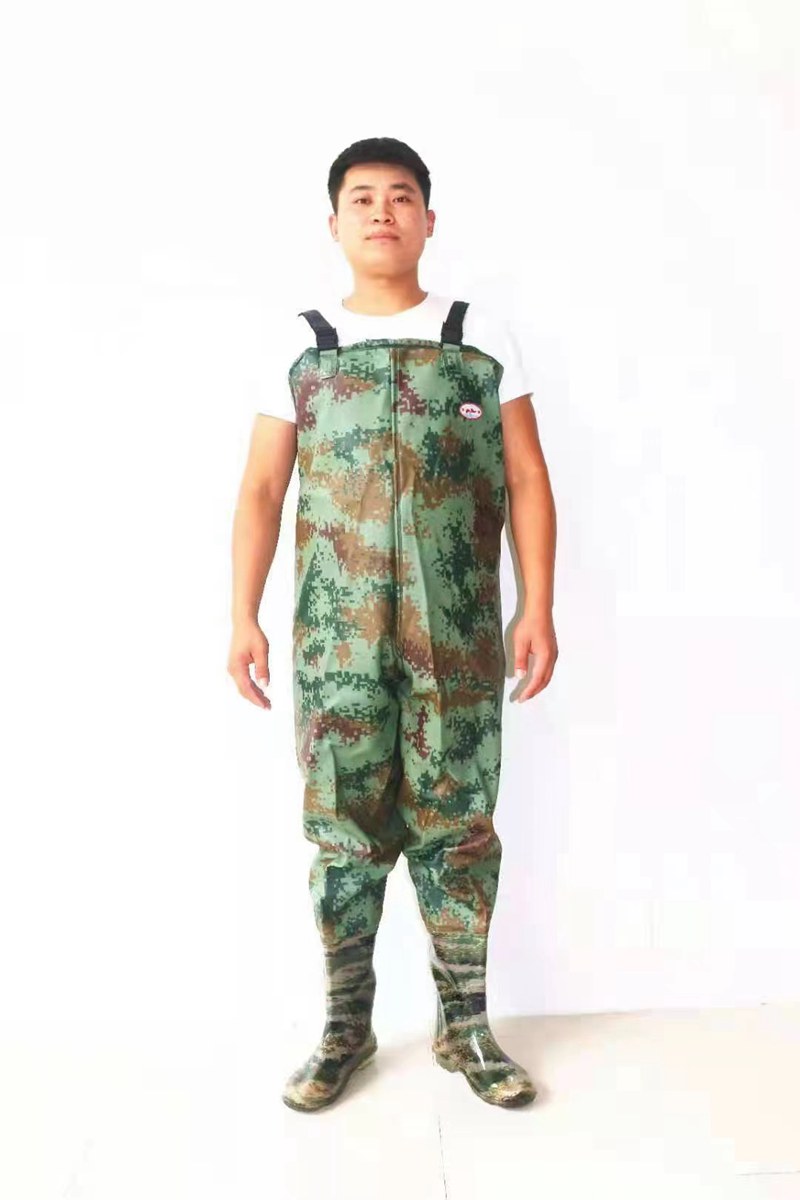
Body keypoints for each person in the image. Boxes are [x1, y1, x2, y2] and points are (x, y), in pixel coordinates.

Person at [229, 137, 558, 1112]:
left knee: (459, 830)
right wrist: (241, 615)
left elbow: (527, 475)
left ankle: (465, 1028)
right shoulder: (301, 345)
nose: (382, 211)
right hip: (336, 643)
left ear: (428, 220)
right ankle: (345, 1028)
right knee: (343, 834)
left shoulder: (479, 336)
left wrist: (537, 604)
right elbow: (261, 488)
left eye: (401, 196)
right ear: (333, 223)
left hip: (457, 640)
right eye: (362, 198)